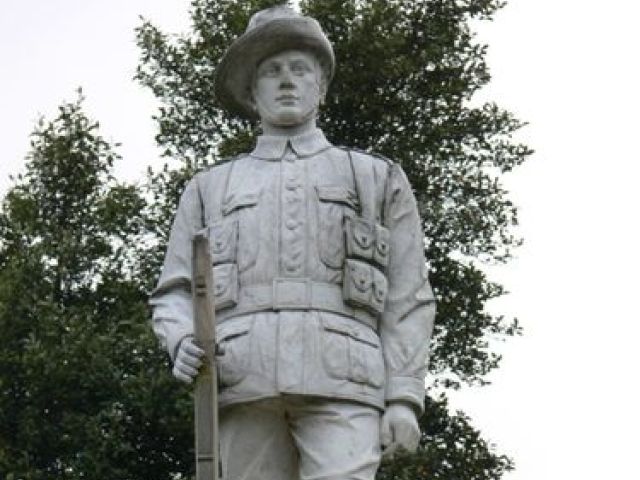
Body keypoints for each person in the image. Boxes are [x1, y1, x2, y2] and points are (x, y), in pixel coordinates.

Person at [150, 6, 436, 480]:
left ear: (320, 86)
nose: (286, 81)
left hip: (345, 378)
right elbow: (175, 291)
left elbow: (408, 293)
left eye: (299, 69)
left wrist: (404, 396)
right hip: (241, 377)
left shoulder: (374, 176)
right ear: (251, 90)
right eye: (271, 71)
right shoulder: (209, 187)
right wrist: (180, 338)